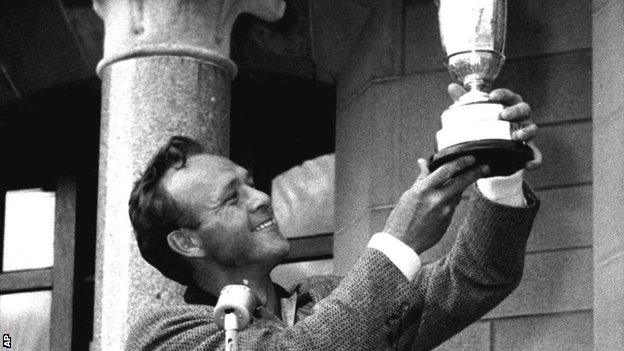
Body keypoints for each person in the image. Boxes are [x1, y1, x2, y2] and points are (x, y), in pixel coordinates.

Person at [125, 85, 541, 351]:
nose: (260, 198)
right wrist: (397, 243)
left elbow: (475, 276)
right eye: (231, 198)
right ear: (187, 242)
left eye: (249, 183)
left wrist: (497, 171)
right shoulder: (166, 335)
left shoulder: (325, 298)